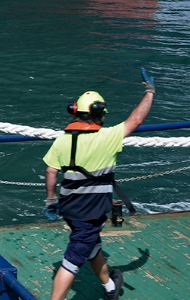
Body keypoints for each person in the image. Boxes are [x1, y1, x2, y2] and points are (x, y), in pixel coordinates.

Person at [42, 70, 156, 300]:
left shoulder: (63, 139)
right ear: (98, 114)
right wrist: (150, 92)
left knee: (91, 245)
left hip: (70, 207)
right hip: (91, 211)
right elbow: (137, 119)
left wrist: (51, 200)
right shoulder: (107, 137)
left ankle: (110, 287)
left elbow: (51, 171)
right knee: (72, 260)